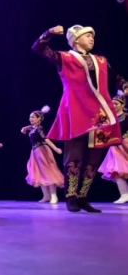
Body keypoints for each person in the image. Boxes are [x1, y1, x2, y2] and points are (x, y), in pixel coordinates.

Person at [33, 25, 126, 212]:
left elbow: (116, 77)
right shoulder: (65, 58)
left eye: (92, 36)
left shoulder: (101, 60)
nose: (92, 38)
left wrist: (124, 86)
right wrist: (49, 33)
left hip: (99, 116)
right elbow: (38, 48)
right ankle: (71, 197)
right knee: (74, 157)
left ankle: (83, 197)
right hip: (75, 112)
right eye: (87, 35)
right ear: (75, 40)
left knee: (93, 160)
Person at [22, 106, 64, 204]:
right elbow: (31, 127)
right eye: (30, 117)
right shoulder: (34, 128)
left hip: (42, 151)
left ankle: (53, 195)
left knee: (48, 172)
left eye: (33, 117)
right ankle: (46, 195)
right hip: (35, 152)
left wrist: (56, 149)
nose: (30, 119)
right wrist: (25, 128)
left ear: (39, 119)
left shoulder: (40, 128)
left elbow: (46, 139)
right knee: (39, 173)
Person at [97, 94, 128, 204]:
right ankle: (124, 194)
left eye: (116, 104)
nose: (114, 105)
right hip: (115, 145)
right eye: (112, 104)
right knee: (115, 169)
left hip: (126, 143)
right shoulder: (110, 118)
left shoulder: (126, 116)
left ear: (123, 105)